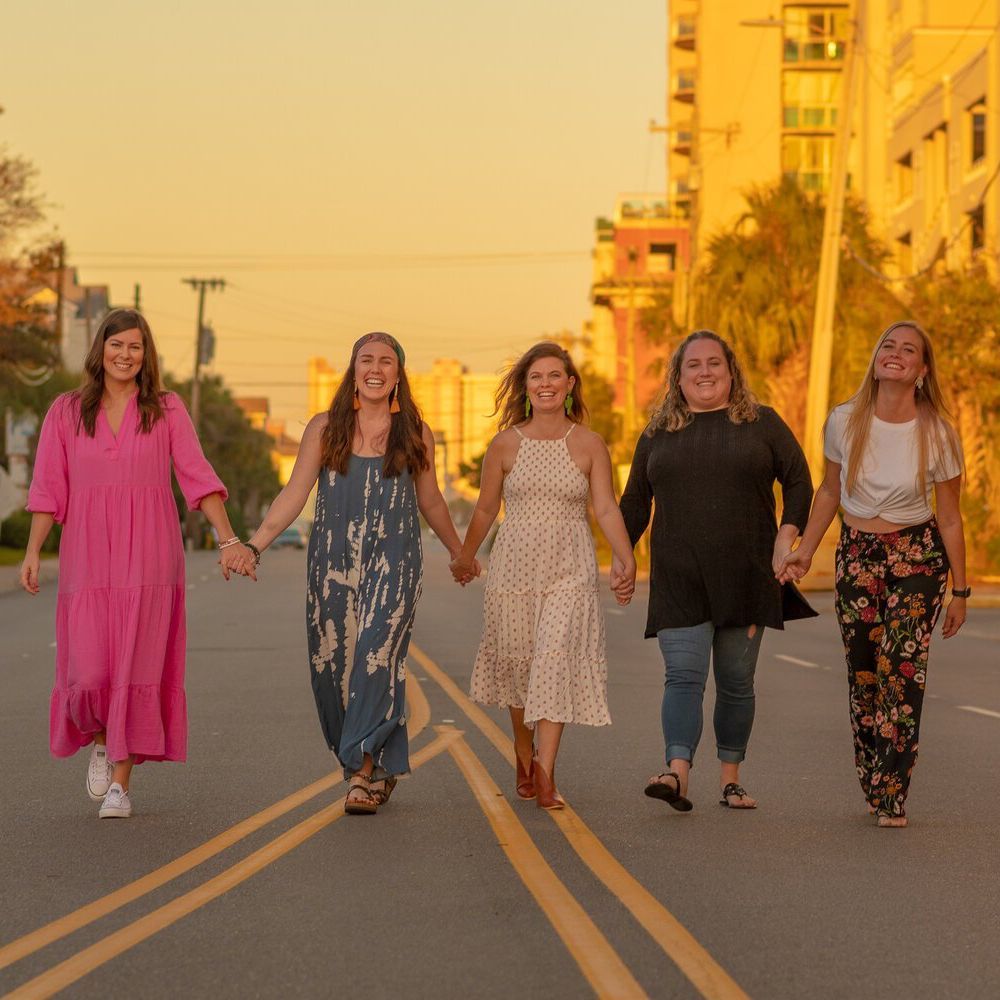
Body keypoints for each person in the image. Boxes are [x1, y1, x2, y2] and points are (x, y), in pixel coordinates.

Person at [20, 309, 252, 819]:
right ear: (99, 348)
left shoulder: (165, 409)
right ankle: (102, 739)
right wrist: (34, 550)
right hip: (87, 553)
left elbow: (197, 475)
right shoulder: (66, 411)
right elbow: (47, 487)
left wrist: (228, 538)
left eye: (136, 347)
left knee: (135, 664)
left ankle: (121, 784)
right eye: (117, 344)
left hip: (150, 552)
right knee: (88, 670)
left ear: (147, 355)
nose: (126, 355)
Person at [246, 332, 469, 815]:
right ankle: (373, 761)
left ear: (397, 374)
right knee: (330, 668)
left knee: (375, 658)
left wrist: (459, 552)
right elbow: (294, 493)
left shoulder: (414, 432)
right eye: (366, 359)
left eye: (386, 361)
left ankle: (363, 773)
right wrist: (255, 545)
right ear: (353, 370)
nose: (375, 368)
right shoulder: (325, 429)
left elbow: (430, 500)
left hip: (395, 561)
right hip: (332, 563)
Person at [778, 321, 966, 828]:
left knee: (902, 671)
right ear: (877, 358)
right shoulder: (845, 420)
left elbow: (948, 515)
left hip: (919, 556)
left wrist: (960, 591)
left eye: (909, 350)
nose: (896, 354)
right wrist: (805, 552)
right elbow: (829, 492)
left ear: (922, 371)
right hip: (858, 553)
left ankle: (892, 792)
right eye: (888, 345)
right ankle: (872, 772)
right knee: (865, 672)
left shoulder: (939, 433)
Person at [620, 330, 815, 813]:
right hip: (679, 577)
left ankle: (731, 780)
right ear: (678, 378)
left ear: (731, 372)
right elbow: (634, 502)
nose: (704, 373)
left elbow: (799, 481)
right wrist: (623, 556)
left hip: (748, 575)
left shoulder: (761, 423)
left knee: (735, 682)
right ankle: (677, 772)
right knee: (683, 677)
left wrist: (785, 538)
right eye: (694, 366)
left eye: (714, 364)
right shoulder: (658, 431)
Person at [451, 342, 636, 810]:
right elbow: (487, 508)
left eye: (556, 375)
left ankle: (546, 772)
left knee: (554, 658)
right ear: (526, 387)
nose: (546, 384)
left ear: (570, 385)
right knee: (520, 665)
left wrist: (624, 555)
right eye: (537, 377)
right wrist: (465, 557)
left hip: (570, 568)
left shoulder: (590, 444)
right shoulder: (506, 444)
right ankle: (521, 750)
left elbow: (606, 508)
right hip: (513, 568)